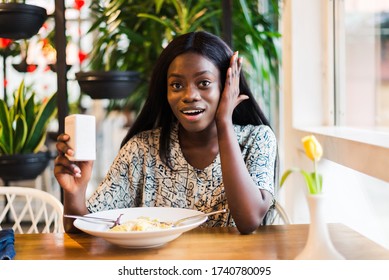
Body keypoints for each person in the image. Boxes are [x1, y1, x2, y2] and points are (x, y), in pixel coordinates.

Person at [54, 31, 278, 234]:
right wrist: (75, 192)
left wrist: (224, 122)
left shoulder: (257, 139)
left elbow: (248, 221)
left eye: (204, 83)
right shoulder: (141, 149)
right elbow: (82, 229)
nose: (189, 95)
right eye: (177, 85)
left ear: (228, 86)